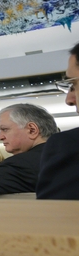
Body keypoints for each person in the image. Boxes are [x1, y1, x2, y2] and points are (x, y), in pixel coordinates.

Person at [0, 103, 57, 198]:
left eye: (5, 129)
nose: (0, 137)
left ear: (32, 130)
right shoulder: (67, 154)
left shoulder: (21, 164)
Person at [38, 42, 79, 200]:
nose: (68, 99)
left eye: (73, 85)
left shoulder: (68, 144)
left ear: (32, 129)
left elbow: (55, 219)